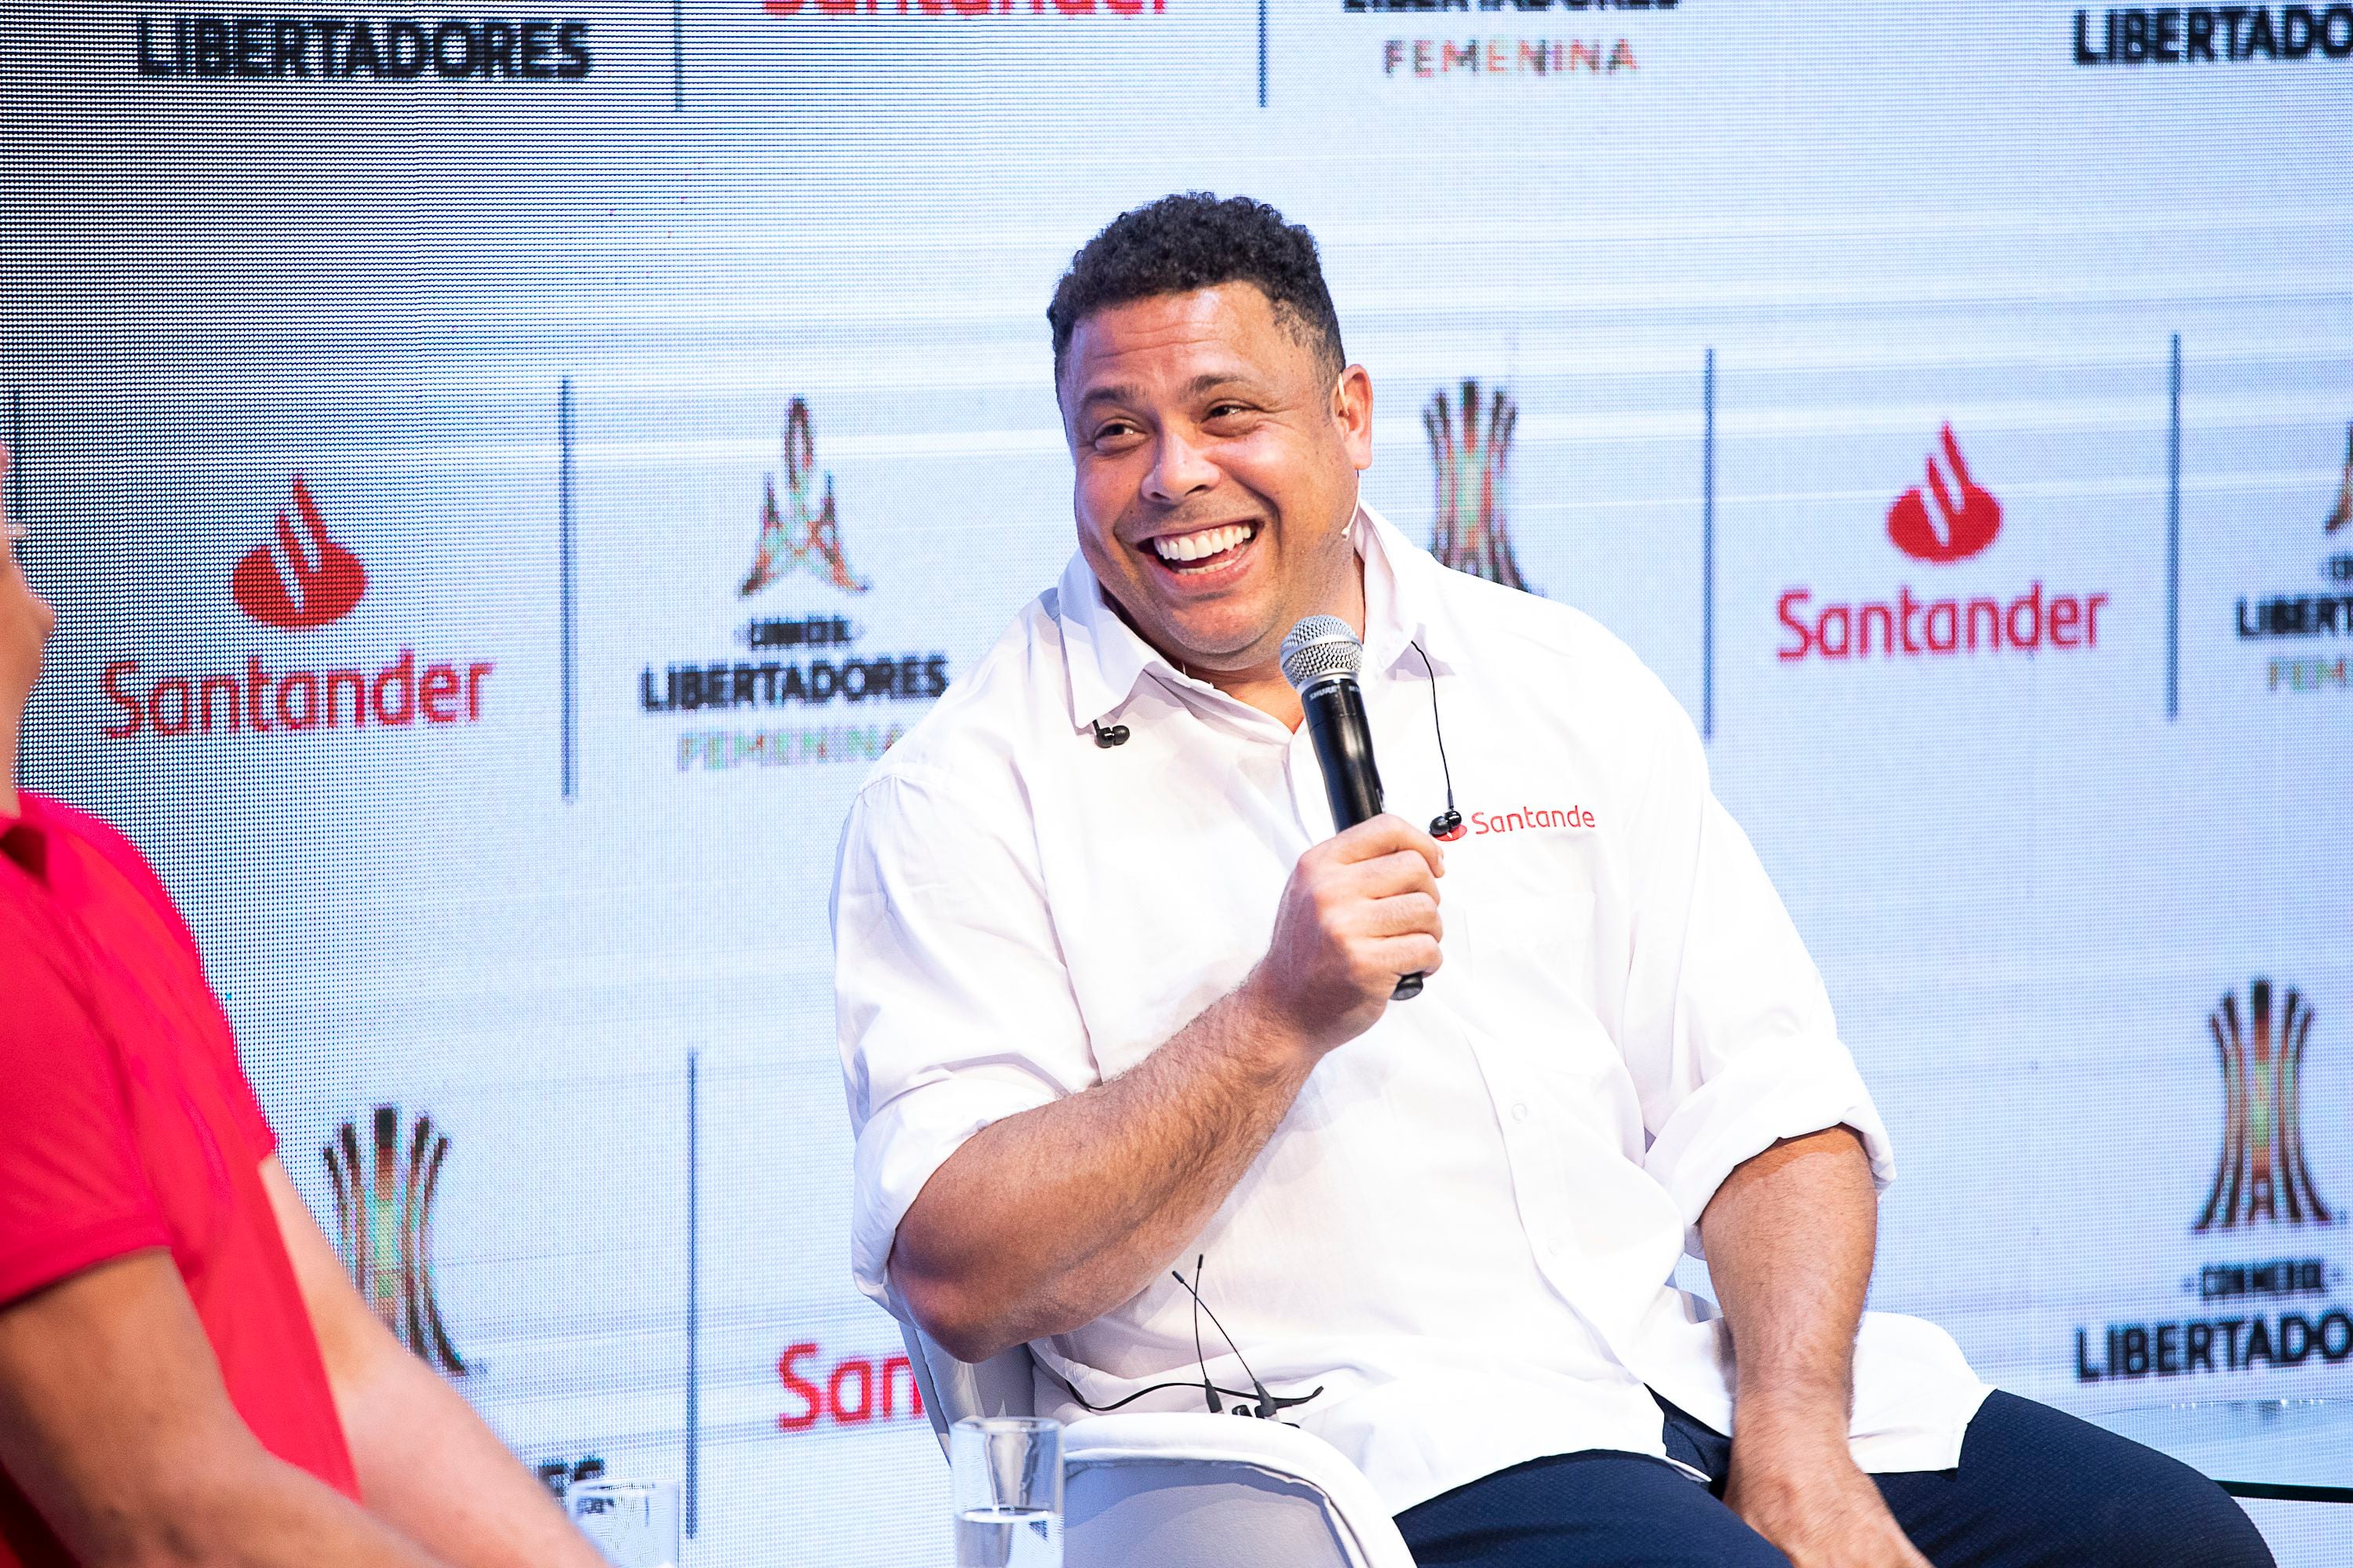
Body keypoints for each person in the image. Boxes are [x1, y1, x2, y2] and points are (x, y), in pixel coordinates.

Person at [831, 195, 2273, 1566]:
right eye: (1114, 432)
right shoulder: (964, 787)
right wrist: (1276, 1016)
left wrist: (1795, 1429)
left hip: (1661, 1379)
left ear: (1351, 421)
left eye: (1227, 413)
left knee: (2174, 1547)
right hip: (1331, 1459)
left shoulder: (1555, 675)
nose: (1172, 478)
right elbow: (960, 1272)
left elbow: (1767, 1106)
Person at [0, 449, 607, 1568]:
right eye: (4, 534)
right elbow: (174, 1519)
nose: (39, 595)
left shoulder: (92, 872)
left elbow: (347, 1369)